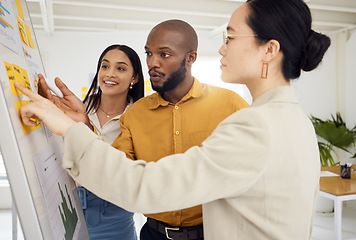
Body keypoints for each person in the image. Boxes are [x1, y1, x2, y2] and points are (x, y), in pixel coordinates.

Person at [16, 0, 331, 239]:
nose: (221, 48)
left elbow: (145, 185)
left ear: (269, 50)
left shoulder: (254, 124)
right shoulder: (294, 119)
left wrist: (68, 129)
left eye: (231, 37)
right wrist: (84, 127)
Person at [41, 44, 145, 239]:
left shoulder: (140, 118)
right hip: (70, 205)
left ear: (135, 77)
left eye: (120, 68)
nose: (110, 74)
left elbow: (125, 171)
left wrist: (85, 127)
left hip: (115, 215)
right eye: (105, 66)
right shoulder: (78, 108)